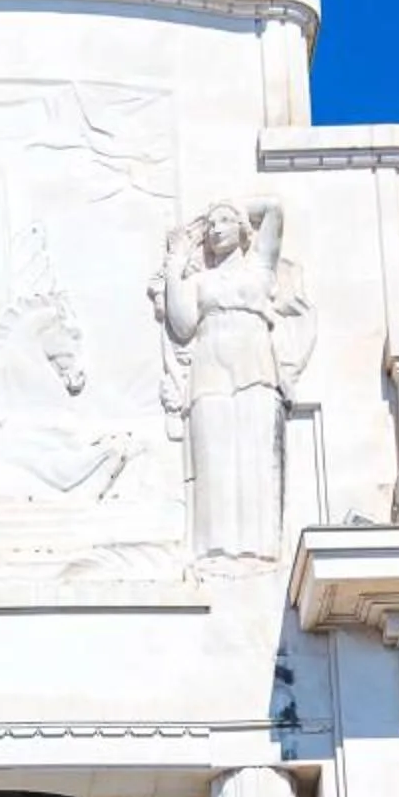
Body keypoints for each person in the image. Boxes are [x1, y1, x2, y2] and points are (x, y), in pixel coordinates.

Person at [153, 200, 313, 561]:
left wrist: (234, 211)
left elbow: (274, 211)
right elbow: (182, 325)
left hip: (253, 358)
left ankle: (258, 549)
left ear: (242, 229)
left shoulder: (259, 267)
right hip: (210, 358)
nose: (216, 228)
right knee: (214, 450)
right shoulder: (199, 281)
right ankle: (216, 548)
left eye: (225, 221)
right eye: (210, 224)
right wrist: (177, 264)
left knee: (255, 448)